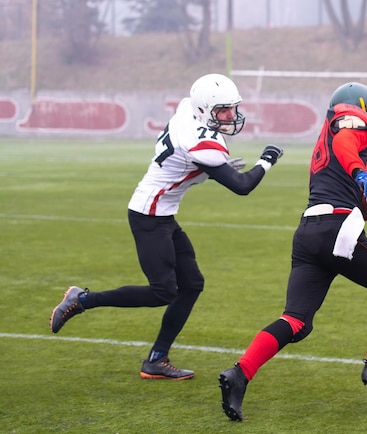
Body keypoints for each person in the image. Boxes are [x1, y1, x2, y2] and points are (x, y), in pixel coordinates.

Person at [49, 73, 284, 380]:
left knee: (192, 284)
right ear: (204, 109)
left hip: (162, 213)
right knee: (163, 291)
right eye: (222, 109)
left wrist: (215, 169)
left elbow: (195, 162)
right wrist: (266, 160)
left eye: (231, 107)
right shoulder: (201, 141)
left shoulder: (188, 110)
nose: (230, 115)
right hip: (149, 215)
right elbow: (242, 186)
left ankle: (156, 359)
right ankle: (82, 300)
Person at [218, 82, 367, 421]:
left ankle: (239, 373)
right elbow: (347, 143)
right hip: (335, 228)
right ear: (361, 107)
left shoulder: (327, 136)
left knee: (295, 321)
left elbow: (347, 191)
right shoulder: (351, 121)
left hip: (309, 230)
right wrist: (360, 174)